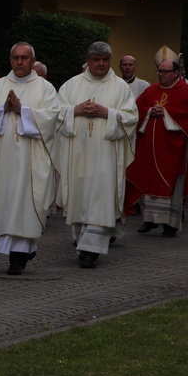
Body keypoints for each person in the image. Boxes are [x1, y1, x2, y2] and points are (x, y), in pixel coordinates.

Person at [0, 42, 59, 274]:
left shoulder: (45, 88)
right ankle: (20, 251)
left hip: (31, 160)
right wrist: (3, 109)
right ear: (10, 60)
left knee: (27, 202)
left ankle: (20, 255)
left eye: (25, 58)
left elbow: (53, 119)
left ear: (33, 61)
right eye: (15, 58)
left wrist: (23, 110)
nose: (20, 62)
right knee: (9, 202)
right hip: (4, 158)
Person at [56, 41, 138, 268]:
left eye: (105, 59)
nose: (100, 64)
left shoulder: (120, 87)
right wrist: (75, 110)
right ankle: (81, 241)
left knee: (100, 198)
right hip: (78, 154)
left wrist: (107, 113)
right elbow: (56, 113)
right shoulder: (72, 85)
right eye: (95, 59)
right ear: (88, 60)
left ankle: (91, 251)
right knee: (80, 195)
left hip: (105, 156)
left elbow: (131, 117)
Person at [126, 58, 188, 237]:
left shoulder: (187, 90)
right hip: (151, 148)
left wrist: (167, 112)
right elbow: (136, 108)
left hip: (174, 148)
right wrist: (149, 111)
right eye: (159, 71)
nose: (161, 75)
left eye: (165, 72)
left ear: (176, 73)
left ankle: (170, 224)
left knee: (172, 183)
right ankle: (150, 220)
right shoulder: (151, 90)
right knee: (150, 181)